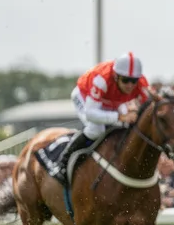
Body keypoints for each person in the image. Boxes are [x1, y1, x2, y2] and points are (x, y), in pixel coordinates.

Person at [59, 52, 151, 184]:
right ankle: (64, 161)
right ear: (116, 76)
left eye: (133, 81)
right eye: (125, 80)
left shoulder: (142, 84)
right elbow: (91, 113)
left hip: (111, 101)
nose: (130, 85)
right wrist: (120, 116)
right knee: (96, 129)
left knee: (127, 127)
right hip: (85, 98)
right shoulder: (102, 79)